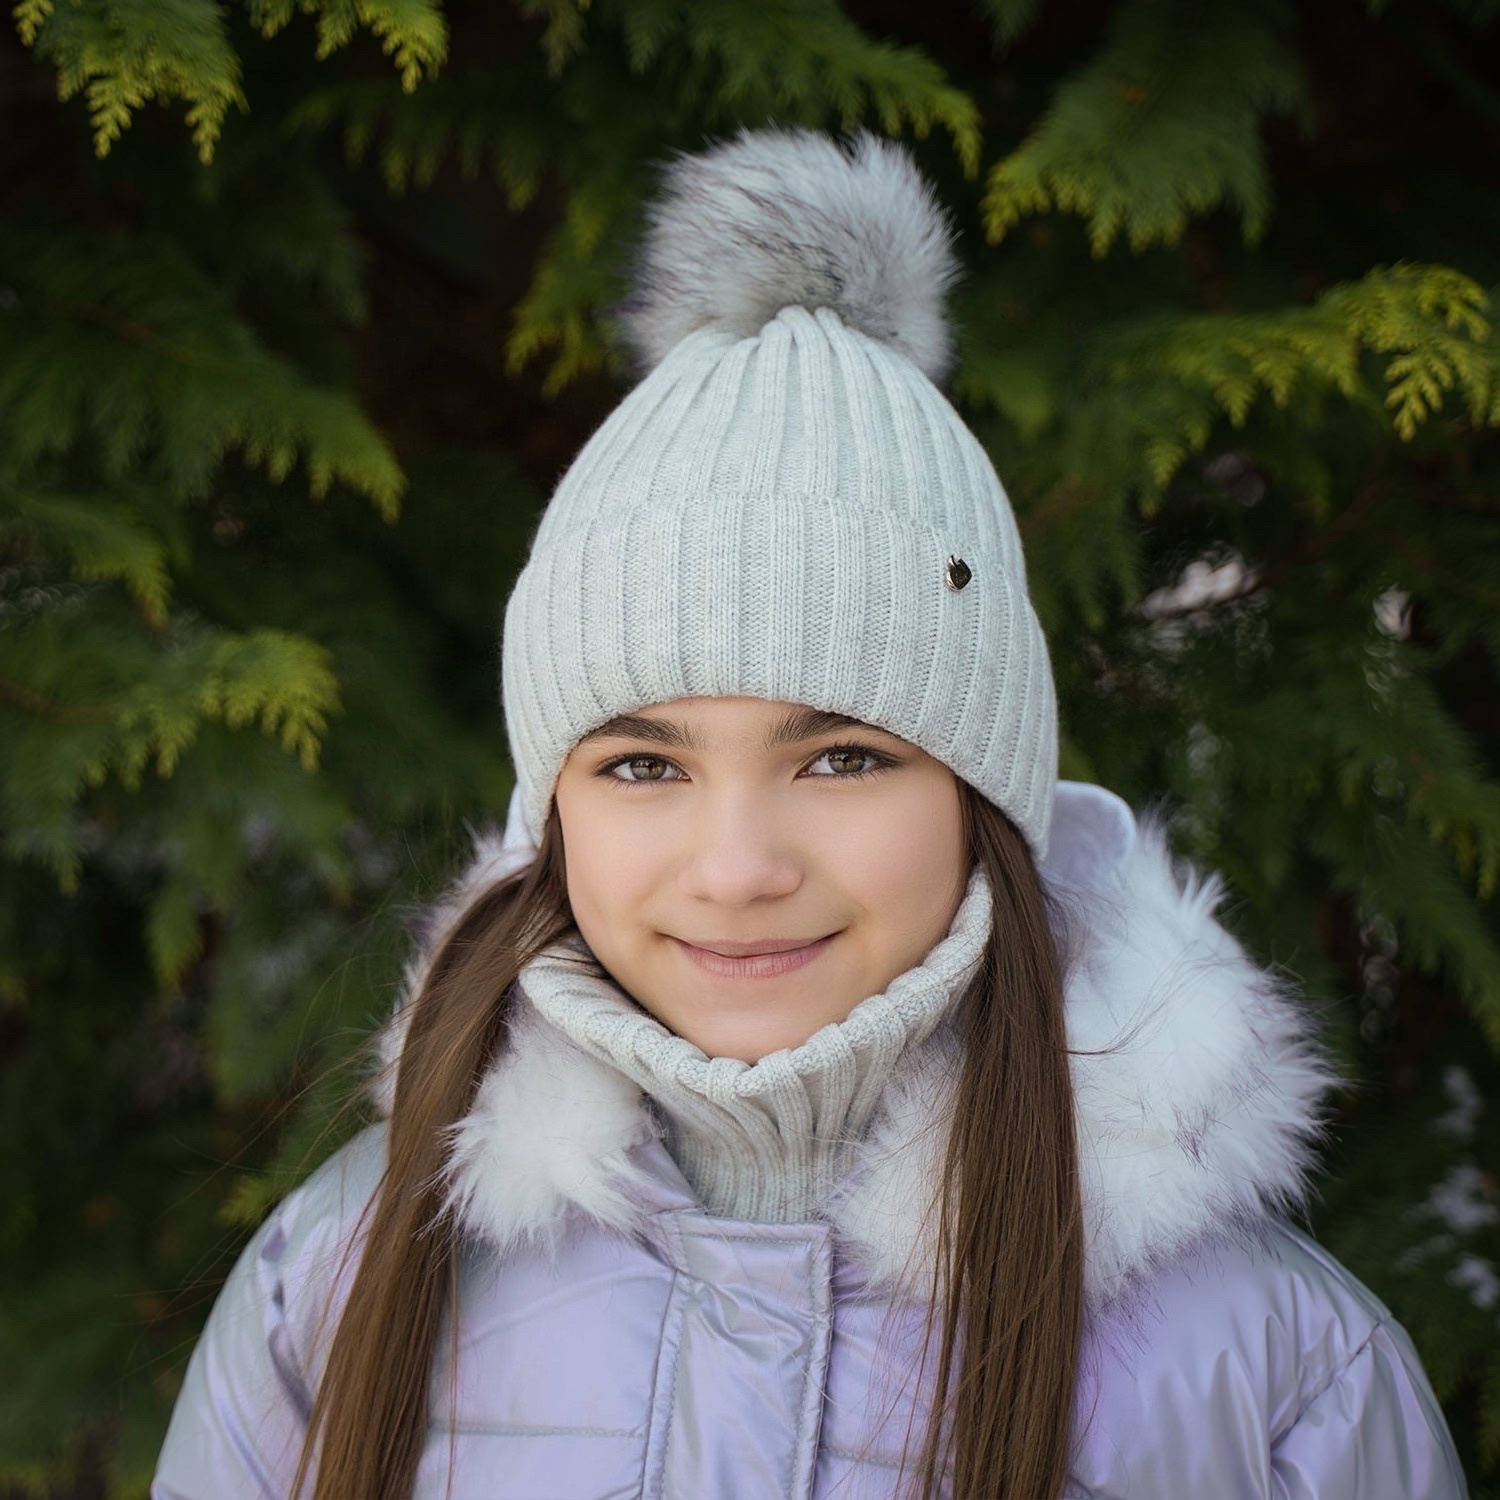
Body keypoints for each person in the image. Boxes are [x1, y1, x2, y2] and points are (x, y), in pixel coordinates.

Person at [153, 129, 1467, 1500]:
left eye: (840, 758)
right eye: (643, 766)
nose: (735, 868)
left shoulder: (1271, 1371)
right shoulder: (347, 1281)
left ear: (984, 800)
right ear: (552, 811)